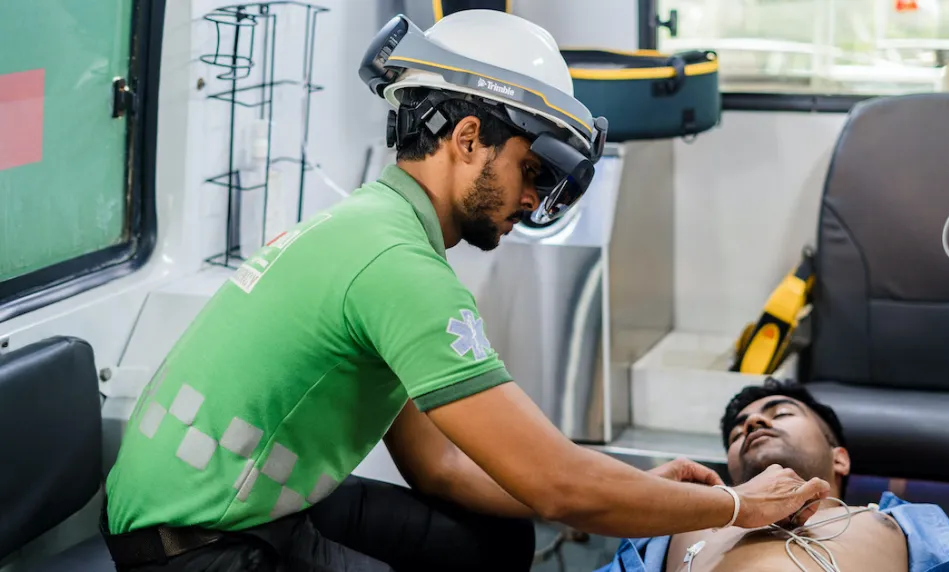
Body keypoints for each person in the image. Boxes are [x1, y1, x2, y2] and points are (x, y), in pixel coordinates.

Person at [99, 11, 830, 572]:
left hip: (230, 508)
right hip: (196, 547)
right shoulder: (399, 267)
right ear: (469, 136)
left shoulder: (369, 228)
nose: (532, 199)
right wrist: (734, 501)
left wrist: (628, 484)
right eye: (533, 170)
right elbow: (555, 486)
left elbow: (441, 466)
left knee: (494, 541)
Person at [597, 378, 949, 572]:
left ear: (840, 459)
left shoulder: (901, 524)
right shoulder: (674, 525)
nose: (752, 422)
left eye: (781, 412)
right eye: (738, 433)